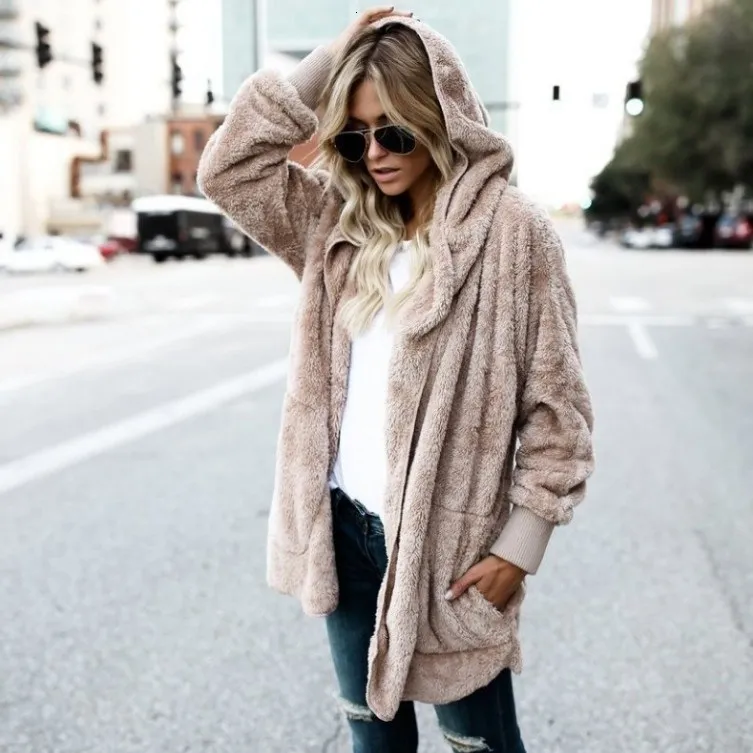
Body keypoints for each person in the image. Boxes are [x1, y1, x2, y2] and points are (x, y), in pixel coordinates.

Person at [198, 8, 594, 752]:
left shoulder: (514, 234)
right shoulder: (334, 224)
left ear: (437, 119)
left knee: (478, 744)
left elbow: (558, 413)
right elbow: (230, 167)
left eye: (394, 132)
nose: (374, 153)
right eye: (354, 135)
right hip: (344, 531)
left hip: (450, 548)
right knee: (372, 742)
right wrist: (336, 54)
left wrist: (519, 547)